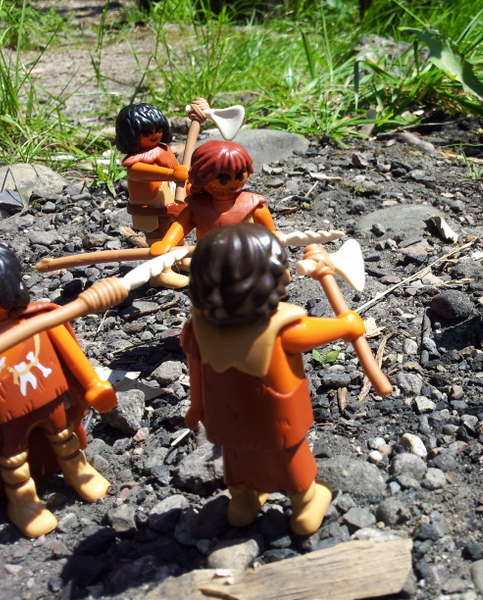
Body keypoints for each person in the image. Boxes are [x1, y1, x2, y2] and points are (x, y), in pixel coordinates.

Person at [181, 222, 364, 535]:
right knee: (290, 461)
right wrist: (347, 324)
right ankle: (305, 505)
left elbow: (195, 372)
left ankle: (243, 503)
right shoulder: (282, 329)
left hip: (225, 419)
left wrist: (197, 407)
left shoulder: (196, 329)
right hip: (276, 422)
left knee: (237, 459)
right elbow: (326, 330)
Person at [0, 241, 117, 537]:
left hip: (51, 398)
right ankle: (23, 502)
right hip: (6, 415)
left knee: (65, 437)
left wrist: (92, 384)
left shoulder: (40, 318)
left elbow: (69, 351)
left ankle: (79, 472)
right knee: (12, 458)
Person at [115, 102, 198, 287]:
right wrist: (171, 174)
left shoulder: (163, 151)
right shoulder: (135, 163)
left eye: (158, 130)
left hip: (172, 204)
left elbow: (179, 174)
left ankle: (179, 260)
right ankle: (160, 272)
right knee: (158, 239)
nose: (155, 135)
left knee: (176, 234)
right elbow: (139, 173)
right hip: (152, 210)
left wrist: (187, 184)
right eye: (147, 133)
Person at [149, 140, 274, 257]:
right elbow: (181, 225)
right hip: (209, 259)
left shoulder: (253, 206)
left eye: (239, 175)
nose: (233, 182)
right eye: (224, 178)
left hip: (246, 258)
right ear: (202, 177)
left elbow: (272, 237)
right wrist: (168, 242)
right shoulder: (197, 207)